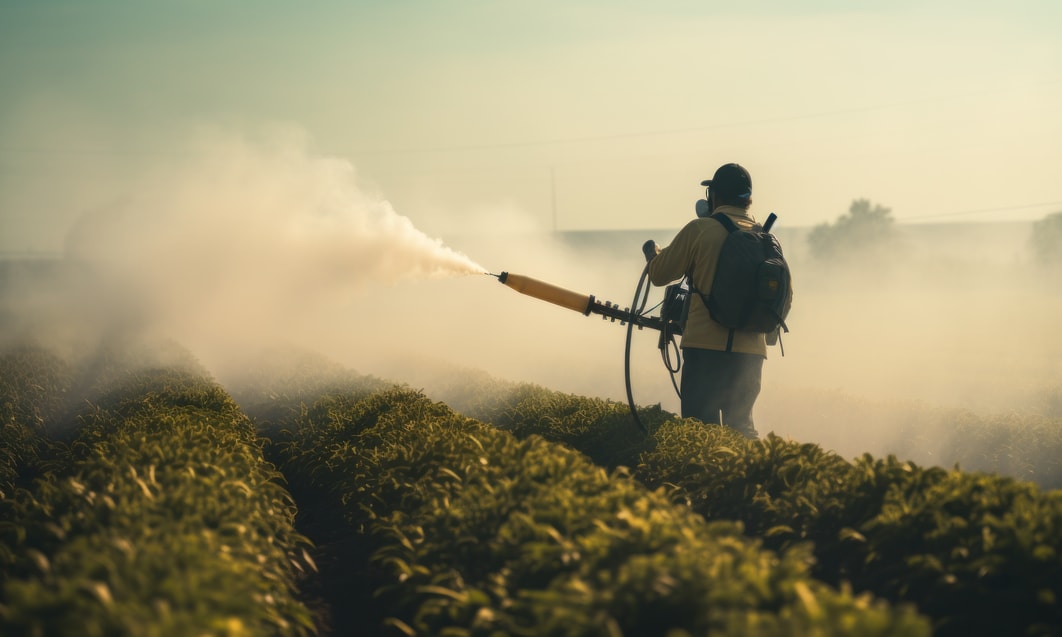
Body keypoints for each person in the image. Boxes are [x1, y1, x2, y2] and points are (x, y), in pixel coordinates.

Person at [642, 163, 790, 438]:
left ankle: (703, 481)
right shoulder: (767, 239)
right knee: (742, 429)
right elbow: (785, 297)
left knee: (700, 432)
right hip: (751, 353)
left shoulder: (701, 229)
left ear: (714, 197)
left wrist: (653, 255)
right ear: (748, 200)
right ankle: (751, 478)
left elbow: (660, 274)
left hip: (704, 350)